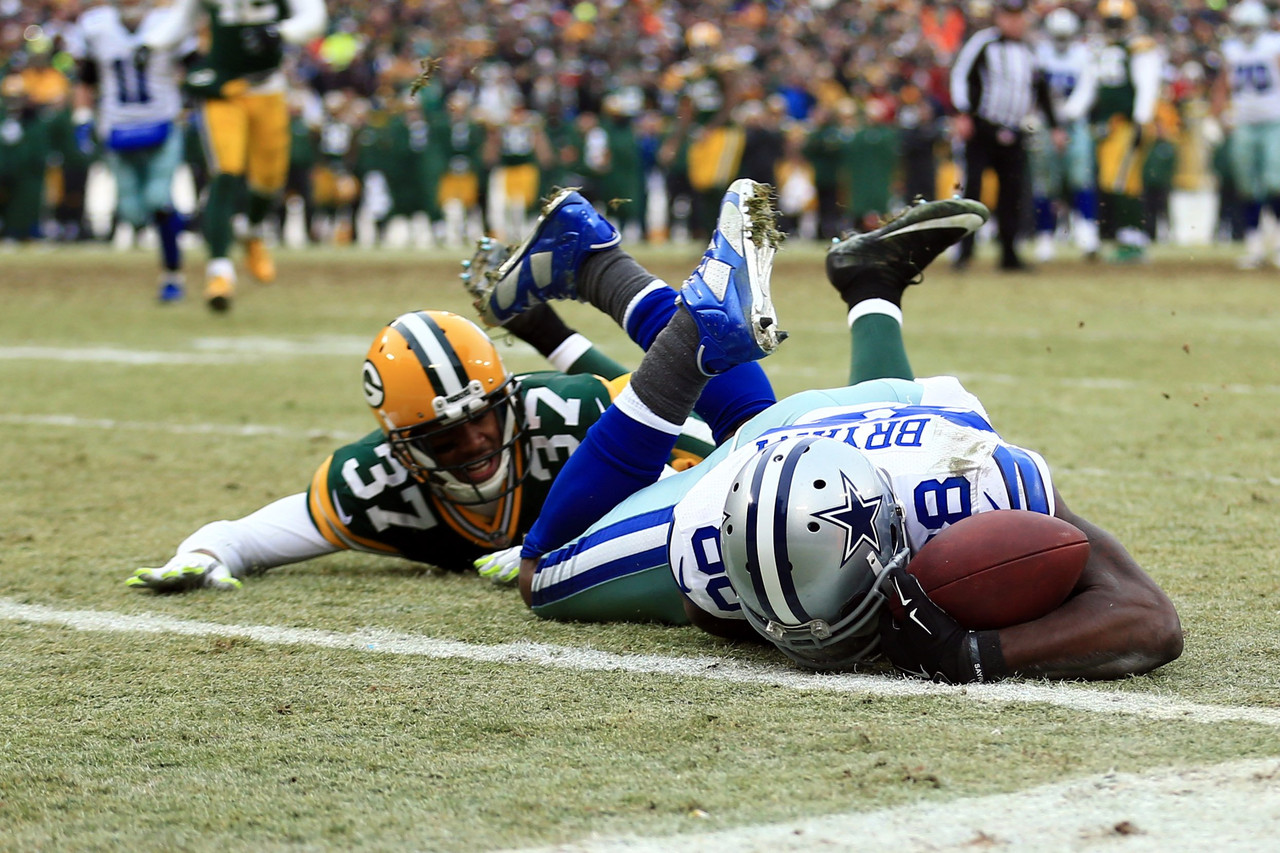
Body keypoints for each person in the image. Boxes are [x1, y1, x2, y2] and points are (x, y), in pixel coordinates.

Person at [470, 178, 1182, 683]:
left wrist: (976, 652)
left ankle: (621, 276)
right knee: (545, 571)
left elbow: (1151, 621)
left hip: (914, 425)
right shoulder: (702, 545)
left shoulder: (972, 488)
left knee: (545, 570)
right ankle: (621, 275)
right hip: (774, 448)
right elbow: (1141, 619)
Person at [126, 290, 714, 592]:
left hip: (710, 444)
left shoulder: (564, 411)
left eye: (482, 416)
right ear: (401, 446)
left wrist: (570, 538)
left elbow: (697, 471)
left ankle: (582, 309)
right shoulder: (373, 482)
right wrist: (200, 556)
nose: (476, 440)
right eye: (444, 436)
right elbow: (243, 538)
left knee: (701, 383)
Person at [141, 0, 327, 312]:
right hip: (223, 88)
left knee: (269, 181)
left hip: (268, 87)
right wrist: (151, 44)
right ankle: (220, 273)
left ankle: (252, 231)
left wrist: (280, 31)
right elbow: (183, 18)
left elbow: (314, 17)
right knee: (225, 170)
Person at [72, 0, 193, 302]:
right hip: (117, 129)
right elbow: (85, 79)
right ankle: (179, 226)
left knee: (158, 199)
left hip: (163, 124)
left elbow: (195, 68)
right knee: (133, 214)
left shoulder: (170, 21)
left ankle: (172, 274)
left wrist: (192, 105)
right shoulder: (95, 25)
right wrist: (82, 116)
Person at [950, 0, 1064, 272]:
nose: (1014, 22)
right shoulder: (983, 43)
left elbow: (1041, 88)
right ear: (999, 18)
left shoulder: (1031, 49)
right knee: (973, 191)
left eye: (1018, 16)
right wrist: (962, 112)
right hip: (983, 128)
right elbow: (960, 76)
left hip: (1016, 129)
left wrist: (1056, 125)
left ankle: (1009, 253)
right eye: (1009, 16)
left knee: (1013, 194)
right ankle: (965, 252)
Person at [1089, 0, 1164, 264]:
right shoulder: (1101, 48)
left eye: (1117, 22)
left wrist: (1142, 119)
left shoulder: (1139, 47)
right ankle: (1128, 236)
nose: (1113, 27)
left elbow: (1147, 86)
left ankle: (1133, 239)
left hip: (1129, 125)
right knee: (1115, 181)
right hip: (1107, 129)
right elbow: (1090, 89)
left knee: (1123, 181)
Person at [1211, 0, 1280, 270]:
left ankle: (1276, 244)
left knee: (1276, 183)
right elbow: (1223, 84)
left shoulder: (1273, 45)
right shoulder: (1231, 49)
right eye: (1243, 27)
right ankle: (1254, 245)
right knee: (1246, 186)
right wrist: (1217, 116)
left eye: (1250, 26)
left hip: (1274, 121)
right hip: (1242, 124)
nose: (1246, 32)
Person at [1031, 6, 1100, 262]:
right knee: (1046, 182)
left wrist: (1068, 114)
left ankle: (1087, 233)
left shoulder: (1083, 54)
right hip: (1045, 125)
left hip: (1075, 125)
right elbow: (1035, 88)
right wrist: (1052, 119)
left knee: (1081, 178)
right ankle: (1045, 237)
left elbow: (1088, 88)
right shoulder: (1040, 54)